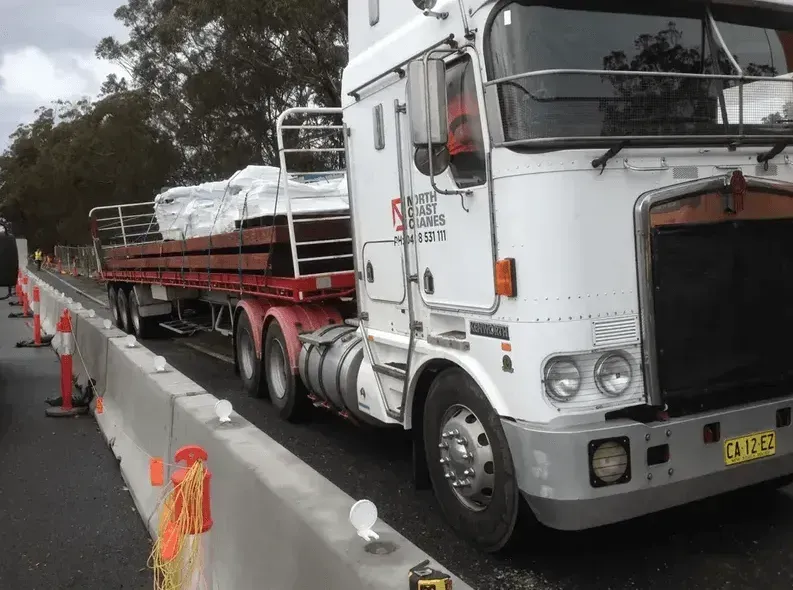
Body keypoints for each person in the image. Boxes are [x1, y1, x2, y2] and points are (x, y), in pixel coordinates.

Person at [445, 58, 486, 188]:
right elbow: (462, 134)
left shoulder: (478, 99)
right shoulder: (459, 104)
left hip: (474, 153)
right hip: (464, 156)